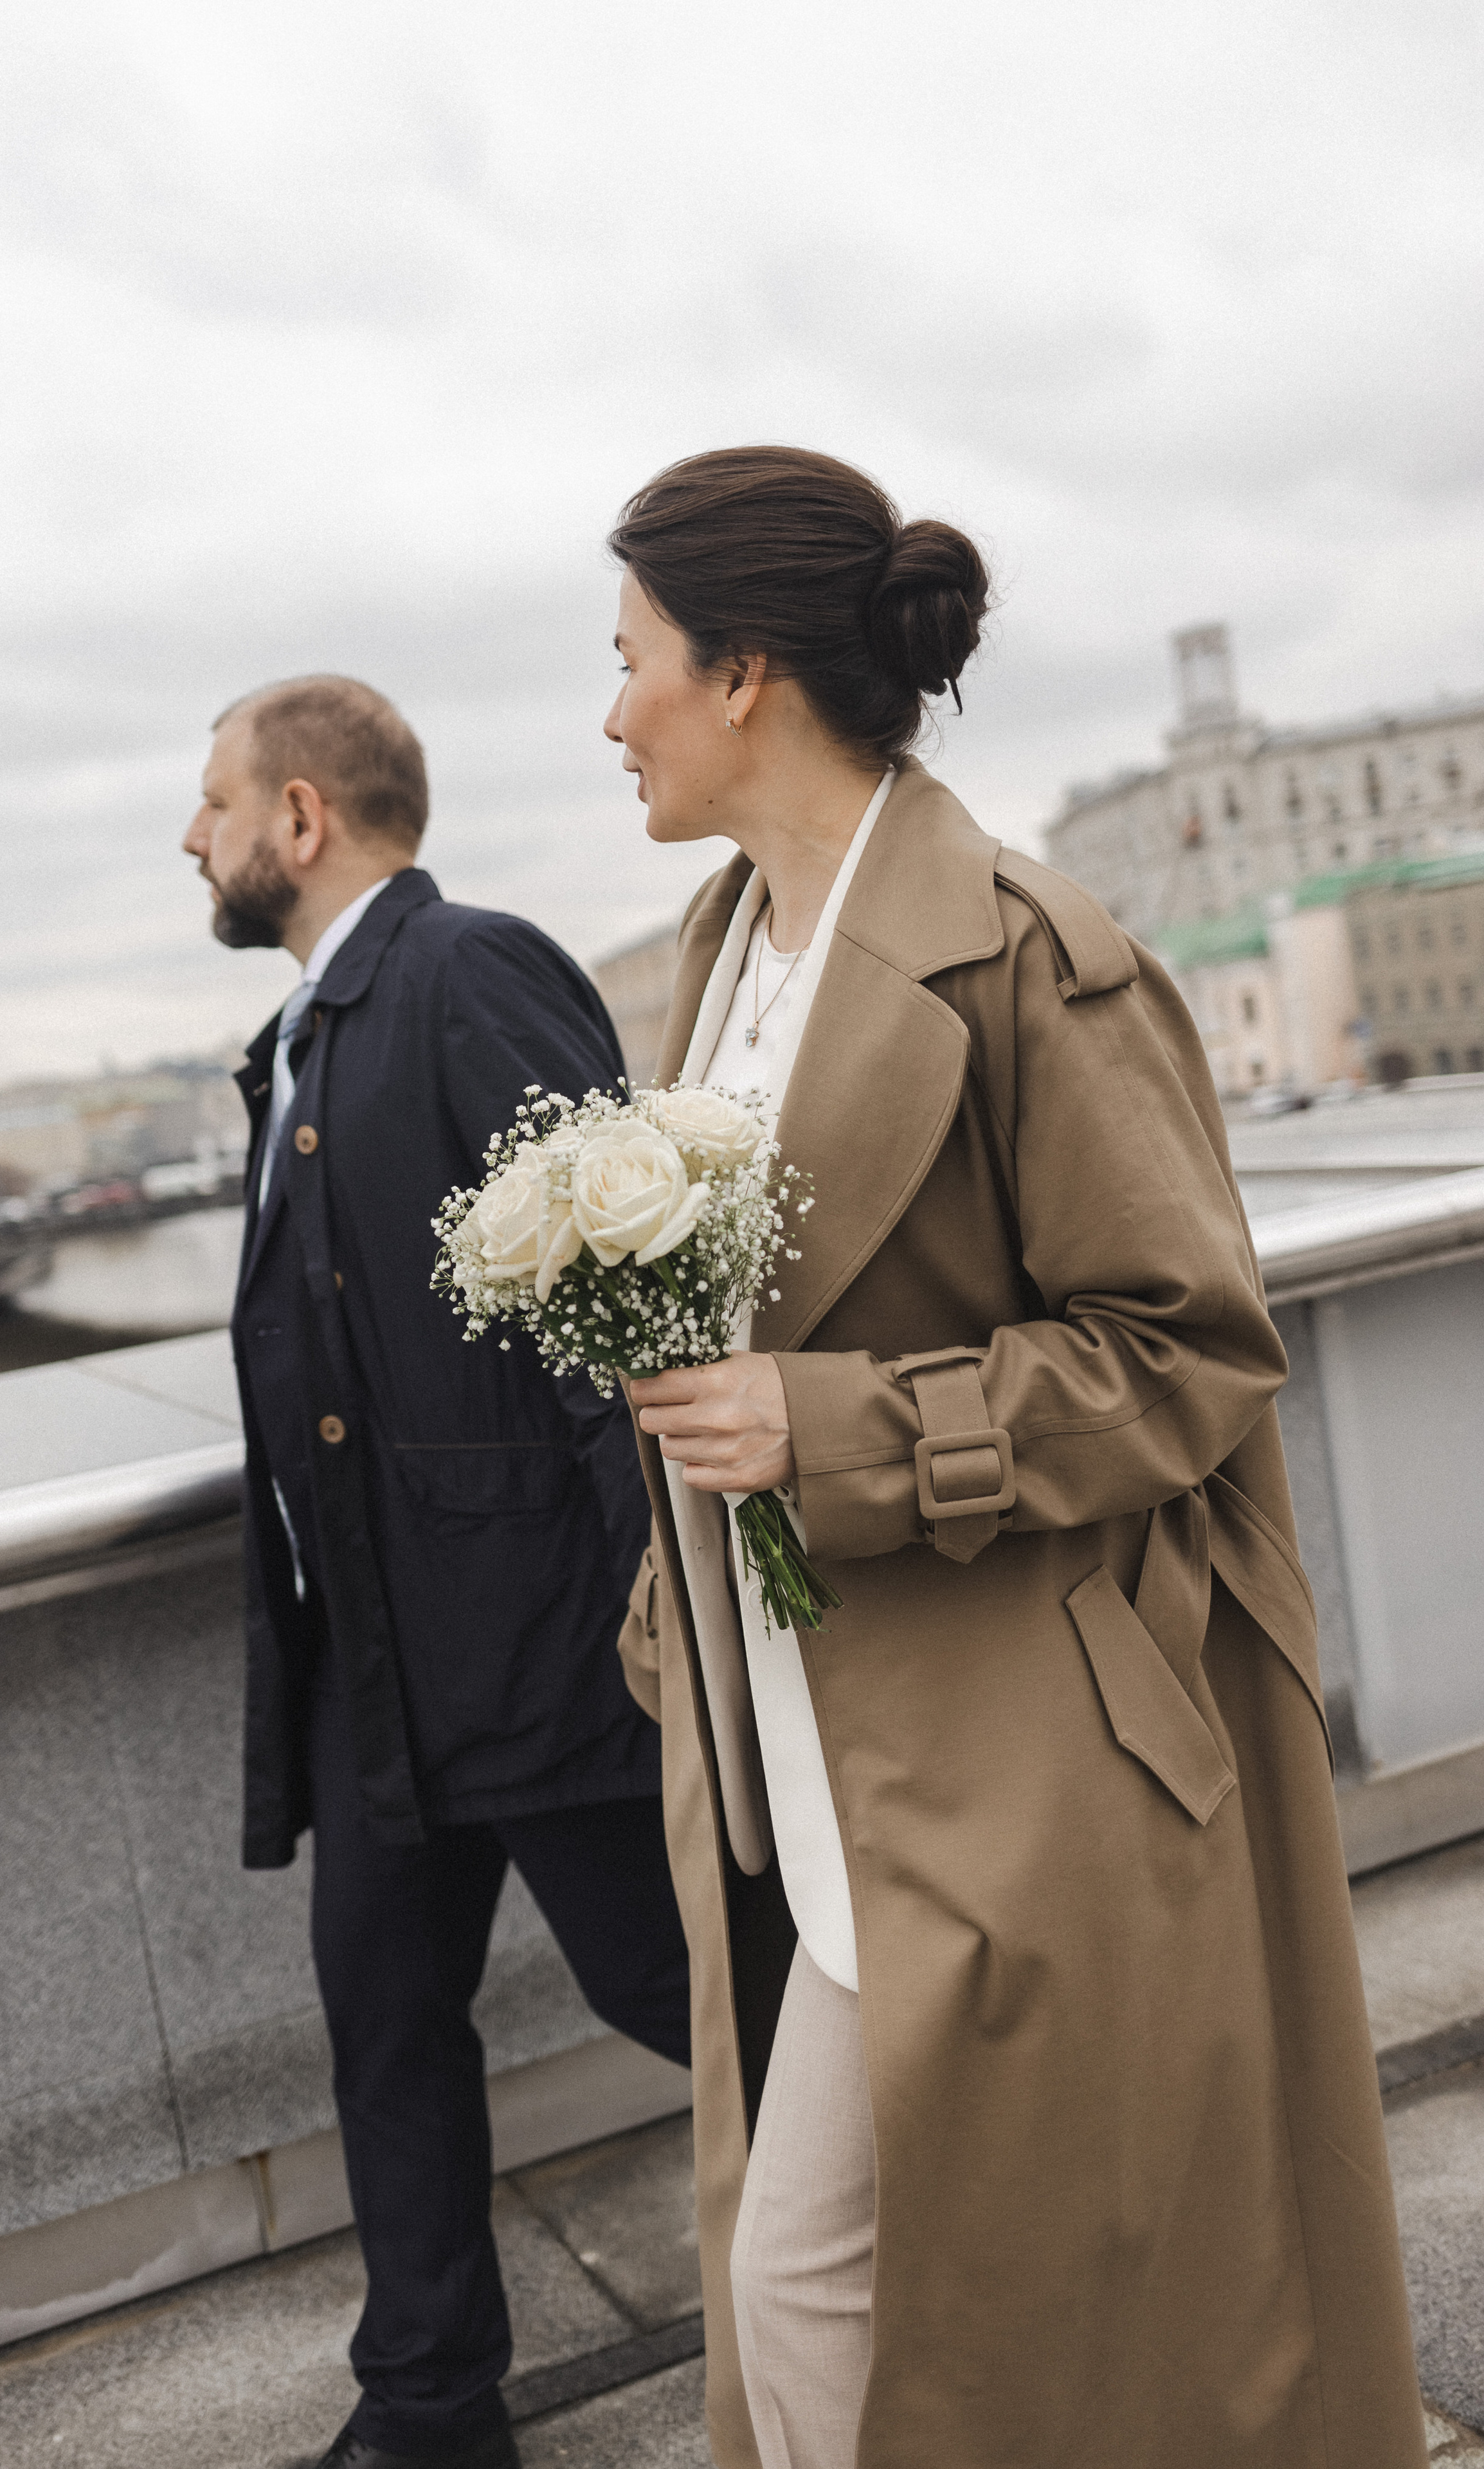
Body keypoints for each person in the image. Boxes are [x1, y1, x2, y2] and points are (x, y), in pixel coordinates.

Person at [601, 449, 1428, 2469]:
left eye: (626, 660)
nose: (607, 710)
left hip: (1022, 1759)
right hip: (826, 1756)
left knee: (955, 2312)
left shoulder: (1035, 955)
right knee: (846, 2302)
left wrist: (837, 1433)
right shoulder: (720, 966)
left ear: (745, 675)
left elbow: (1191, 1349)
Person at [183, 676, 691, 2469]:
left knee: (692, 1993)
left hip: (535, 1647)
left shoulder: (468, 972)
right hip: (377, 1659)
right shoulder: (313, 1033)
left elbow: (619, 1312)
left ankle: (993, 2244)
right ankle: (429, 2412)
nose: (196, 837)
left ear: (302, 818)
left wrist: (654, 1632)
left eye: (216, 802)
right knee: (388, 2023)